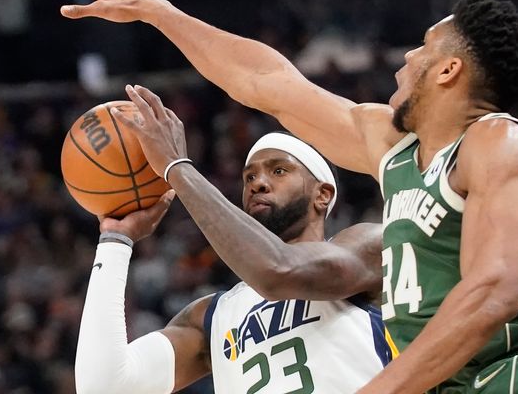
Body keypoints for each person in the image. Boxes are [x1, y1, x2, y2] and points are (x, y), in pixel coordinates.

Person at [48, 0, 518, 393]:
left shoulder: (498, 140)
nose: (407, 56)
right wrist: (157, 11)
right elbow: (266, 81)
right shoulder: (393, 151)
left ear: (448, 71)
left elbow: (493, 293)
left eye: (423, 48)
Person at [75, 88, 388, 393]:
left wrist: (176, 168)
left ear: (323, 195)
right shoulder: (213, 315)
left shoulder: (369, 246)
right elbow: (104, 387)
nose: (258, 184)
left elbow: (278, 271)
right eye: (249, 177)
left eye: (278, 170)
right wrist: (116, 239)